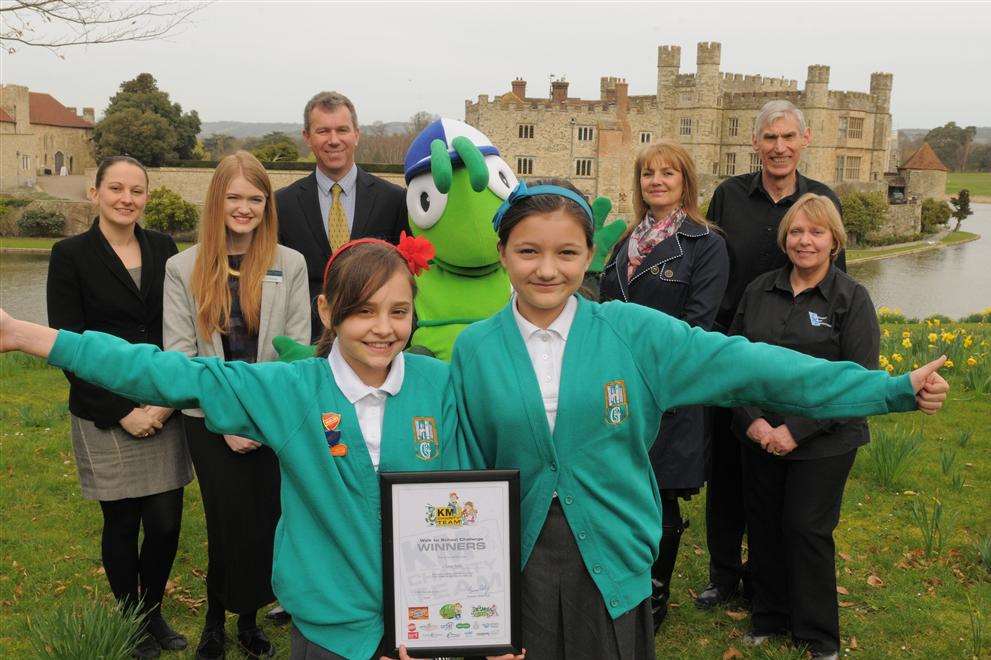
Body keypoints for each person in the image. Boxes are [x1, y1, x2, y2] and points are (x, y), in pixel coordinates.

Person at [451, 178, 948, 660]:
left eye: (566, 252)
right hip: (517, 567)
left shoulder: (633, 333)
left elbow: (758, 369)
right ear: (503, 254)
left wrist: (889, 390)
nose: (547, 270)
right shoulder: (474, 350)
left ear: (589, 256)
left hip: (613, 558)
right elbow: (463, 476)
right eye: (527, 251)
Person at [1, 238, 524, 660]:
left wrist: (480, 625)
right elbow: (163, 372)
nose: (383, 329)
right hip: (333, 630)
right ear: (327, 310)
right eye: (362, 311)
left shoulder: (441, 386)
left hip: (431, 628)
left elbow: (471, 511)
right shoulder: (291, 389)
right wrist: (23, 334)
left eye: (398, 311)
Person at [697, 99, 847, 608]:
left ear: (805, 141)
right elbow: (709, 260)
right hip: (732, 349)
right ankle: (723, 575)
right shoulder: (729, 196)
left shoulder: (821, 200)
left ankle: (768, 576)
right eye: (769, 138)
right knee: (729, 469)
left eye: (788, 137)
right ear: (755, 144)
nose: (779, 147)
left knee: (779, 472)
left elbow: (838, 279)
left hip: (796, 353)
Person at [162, 151, 309, 659]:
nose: (244, 208)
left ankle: (248, 622)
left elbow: (294, 351)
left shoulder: (289, 264)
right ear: (216, 200)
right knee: (226, 522)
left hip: (270, 418)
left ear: (266, 204)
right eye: (235, 197)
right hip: (209, 421)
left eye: (255, 198)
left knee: (262, 518)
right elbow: (180, 358)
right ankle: (211, 622)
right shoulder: (183, 268)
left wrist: (257, 418)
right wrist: (226, 420)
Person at [46, 155, 192, 658]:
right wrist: (123, 411)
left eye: (137, 190)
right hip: (103, 408)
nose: (127, 198)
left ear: (147, 196)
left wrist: (163, 404)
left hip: (161, 402)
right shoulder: (70, 255)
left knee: (167, 520)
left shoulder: (164, 248)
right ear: (96, 193)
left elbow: (178, 328)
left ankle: (153, 612)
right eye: (116, 189)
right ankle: (131, 621)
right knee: (123, 522)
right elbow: (67, 343)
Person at [730, 193, 877, 659]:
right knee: (766, 525)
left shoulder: (851, 299)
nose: (805, 241)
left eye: (816, 232)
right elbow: (732, 364)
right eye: (796, 231)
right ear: (784, 238)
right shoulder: (759, 292)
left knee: (805, 528)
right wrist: (753, 423)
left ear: (834, 241)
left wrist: (795, 429)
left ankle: (818, 636)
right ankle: (770, 617)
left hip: (825, 439)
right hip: (760, 435)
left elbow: (857, 381)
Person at [599, 140, 729, 631]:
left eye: (667, 174)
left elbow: (698, 324)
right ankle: (621, 584)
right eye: (648, 174)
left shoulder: (705, 243)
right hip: (617, 390)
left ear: (685, 182)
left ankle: (655, 597)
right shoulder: (625, 241)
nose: (656, 181)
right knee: (624, 488)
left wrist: (653, 375)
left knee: (662, 494)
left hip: (668, 387)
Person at [276, 91, 409, 342]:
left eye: (342, 130)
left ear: (356, 134)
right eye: (323, 131)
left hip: (374, 341)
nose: (334, 140)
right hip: (306, 344)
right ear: (307, 137)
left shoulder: (393, 200)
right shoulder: (282, 205)